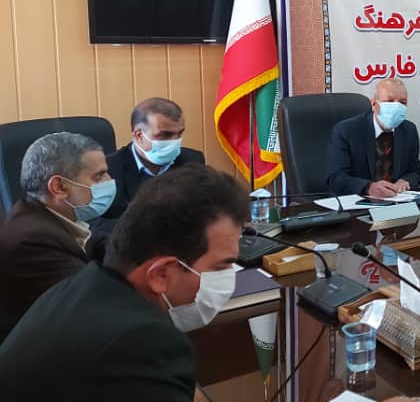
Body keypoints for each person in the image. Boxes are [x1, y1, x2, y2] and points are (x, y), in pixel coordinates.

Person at [0, 164, 247, 401]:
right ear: (160, 274)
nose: (230, 275)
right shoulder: (141, 344)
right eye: (221, 267)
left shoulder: (84, 286)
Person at [0, 132, 113, 342]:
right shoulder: (31, 240)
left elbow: (99, 243)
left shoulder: (50, 217)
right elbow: (96, 300)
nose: (109, 181)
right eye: (99, 176)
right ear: (59, 187)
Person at [92, 97, 204, 235]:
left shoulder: (192, 161)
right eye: (165, 135)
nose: (175, 141)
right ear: (139, 135)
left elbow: (206, 211)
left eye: (179, 133)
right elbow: (95, 224)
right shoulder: (108, 169)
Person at [326, 78, 420, 198]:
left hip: (397, 200)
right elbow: (336, 179)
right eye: (389, 101)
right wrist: (368, 187)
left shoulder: (409, 130)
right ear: (373, 104)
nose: (397, 106)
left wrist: (406, 181)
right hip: (359, 202)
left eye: (402, 102)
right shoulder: (346, 130)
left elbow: (415, 172)